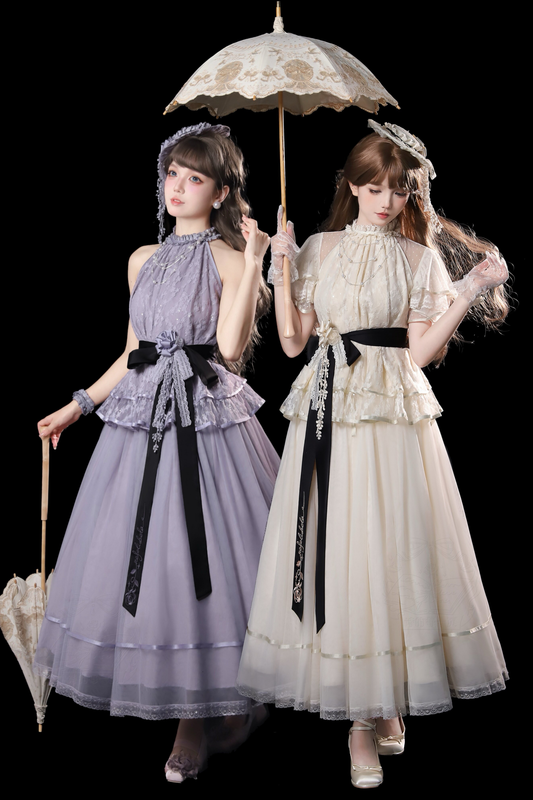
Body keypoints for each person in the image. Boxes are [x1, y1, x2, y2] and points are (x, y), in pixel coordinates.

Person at [236, 121, 509, 789]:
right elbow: (294, 343)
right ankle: (362, 719)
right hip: (328, 406)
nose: (386, 201)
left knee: (391, 551)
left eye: (398, 190)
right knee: (339, 548)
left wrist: (468, 289)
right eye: (374, 187)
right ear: (352, 186)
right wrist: (281, 267)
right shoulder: (319, 248)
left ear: (411, 193)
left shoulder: (418, 258)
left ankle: (380, 703)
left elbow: (419, 353)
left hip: (391, 410)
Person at [34, 122, 279, 782]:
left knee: (204, 563)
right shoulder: (142, 258)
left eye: (194, 177)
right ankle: (209, 711)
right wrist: (78, 405)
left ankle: (194, 722)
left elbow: (229, 351)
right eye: (172, 173)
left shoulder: (229, 259)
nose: (177, 186)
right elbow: (131, 352)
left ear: (220, 191)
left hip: (204, 419)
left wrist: (255, 260)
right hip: (141, 418)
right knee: (151, 562)